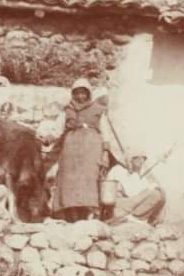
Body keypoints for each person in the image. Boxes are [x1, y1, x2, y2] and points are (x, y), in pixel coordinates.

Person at [54, 79, 109, 222]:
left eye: (83, 93)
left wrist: (105, 152)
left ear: (88, 94)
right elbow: (57, 129)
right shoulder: (67, 109)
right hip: (71, 146)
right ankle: (71, 212)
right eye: (77, 93)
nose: (80, 97)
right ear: (73, 94)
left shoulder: (98, 109)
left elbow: (105, 132)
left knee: (90, 178)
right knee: (69, 179)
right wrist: (49, 136)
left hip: (92, 147)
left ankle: (89, 212)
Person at [106, 147, 166, 225]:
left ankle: (137, 218)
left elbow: (143, 190)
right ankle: (134, 217)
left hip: (130, 202)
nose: (141, 161)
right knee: (155, 194)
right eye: (138, 158)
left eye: (143, 159)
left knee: (161, 194)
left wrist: (153, 188)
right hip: (119, 204)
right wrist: (150, 189)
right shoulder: (119, 170)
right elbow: (131, 192)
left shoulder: (136, 173)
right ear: (131, 159)